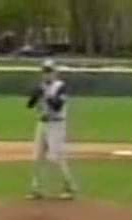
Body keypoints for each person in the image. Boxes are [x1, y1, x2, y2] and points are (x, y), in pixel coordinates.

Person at [27, 59, 78, 200]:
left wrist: (46, 94)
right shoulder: (41, 86)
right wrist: (35, 93)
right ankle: (35, 188)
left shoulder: (61, 87)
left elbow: (57, 106)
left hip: (57, 124)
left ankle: (68, 186)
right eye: (44, 72)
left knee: (56, 157)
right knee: (37, 156)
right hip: (42, 124)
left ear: (55, 72)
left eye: (49, 71)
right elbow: (30, 104)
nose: (46, 75)